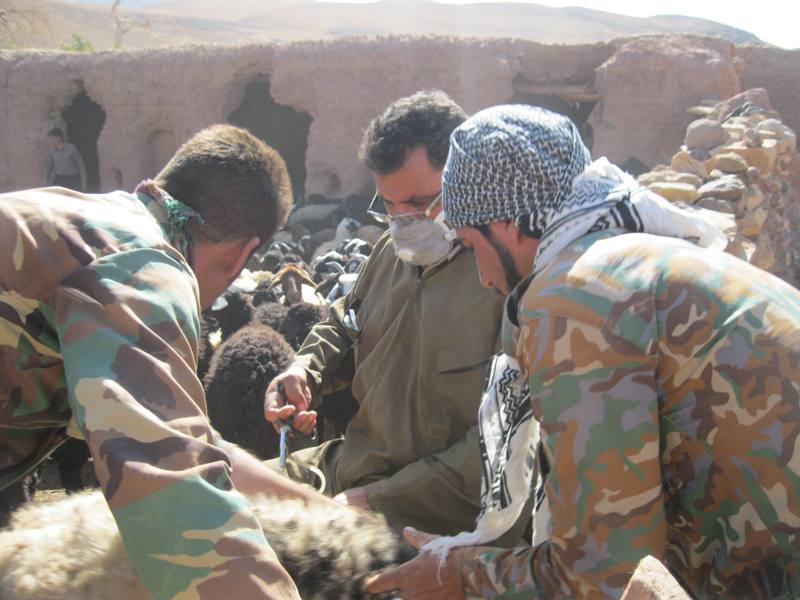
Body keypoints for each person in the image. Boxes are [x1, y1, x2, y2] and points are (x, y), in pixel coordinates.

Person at [366, 105, 800, 598]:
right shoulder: (631, 254)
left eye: (471, 244)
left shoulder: (574, 300)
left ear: (509, 224)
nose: (484, 278)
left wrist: (459, 575)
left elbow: (605, 574)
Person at [0, 124, 335, 600]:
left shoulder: (100, 222)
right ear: (243, 255)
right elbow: (172, 492)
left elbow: (184, 443)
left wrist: (328, 517)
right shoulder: (145, 268)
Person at [263, 91, 513, 537]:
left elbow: (502, 442)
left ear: (465, 180)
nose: (402, 220)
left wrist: (379, 501)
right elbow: (345, 321)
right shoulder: (388, 252)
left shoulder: (502, 280)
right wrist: (304, 371)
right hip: (348, 468)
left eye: (419, 203)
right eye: (389, 205)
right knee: (215, 494)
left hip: (430, 513)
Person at [44, 127, 88, 192]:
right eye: (49, 138)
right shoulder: (52, 151)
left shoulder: (71, 149)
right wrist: (46, 181)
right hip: (59, 179)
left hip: (73, 180)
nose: (50, 140)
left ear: (59, 138)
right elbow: (49, 167)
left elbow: (81, 167)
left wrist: (83, 183)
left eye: (52, 138)